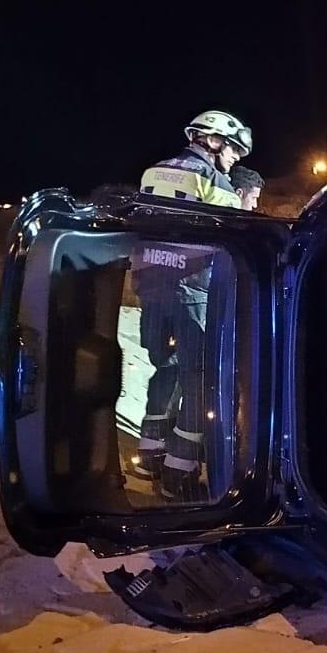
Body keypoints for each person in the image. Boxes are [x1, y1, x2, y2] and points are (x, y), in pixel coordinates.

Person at [132, 110, 254, 500]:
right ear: (213, 141)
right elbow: (238, 231)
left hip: (151, 288)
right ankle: (179, 473)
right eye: (232, 150)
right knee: (200, 378)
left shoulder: (153, 172)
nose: (233, 159)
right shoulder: (213, 181)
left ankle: (150, 454)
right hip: (192, 289)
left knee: (164, 367)